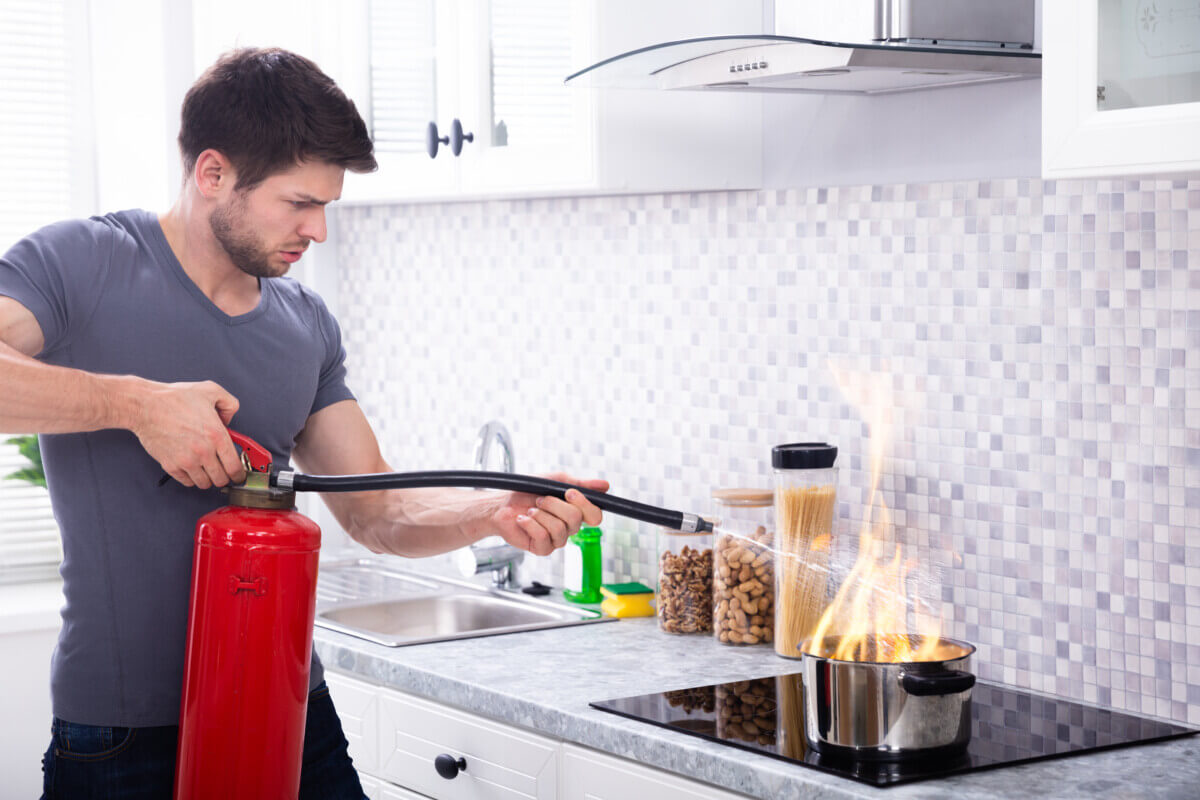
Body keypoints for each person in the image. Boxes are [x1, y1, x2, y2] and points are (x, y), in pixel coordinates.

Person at [0, 47, 608, 799]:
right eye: (299, 202)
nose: (318, 229)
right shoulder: (82, 263)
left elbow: (376, 509)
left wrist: (491, 512)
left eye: (326, 205)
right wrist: (136, 406)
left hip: (289, 711)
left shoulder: (305, 323)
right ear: (213, 174)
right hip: (125, 736)